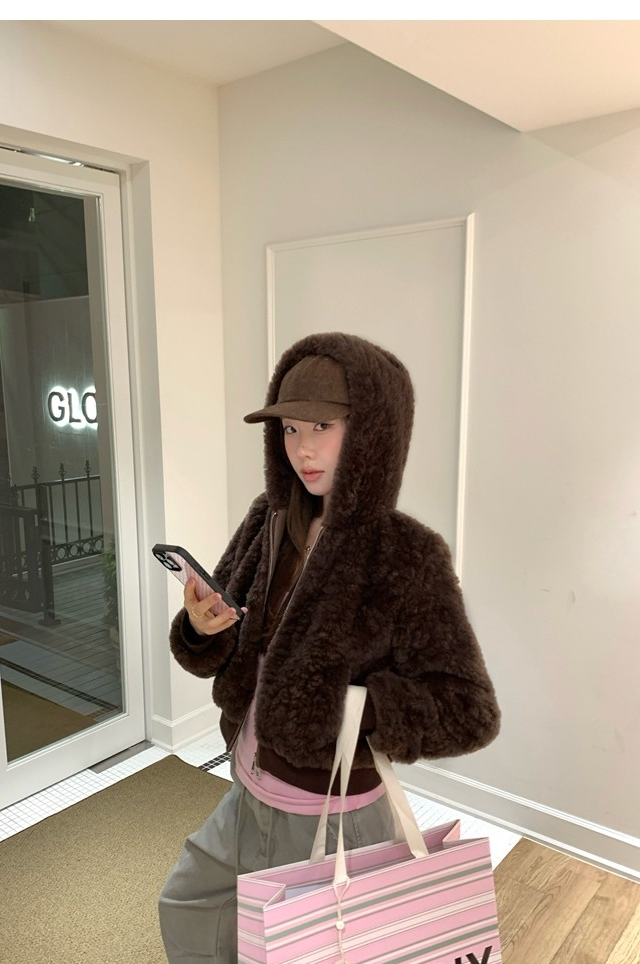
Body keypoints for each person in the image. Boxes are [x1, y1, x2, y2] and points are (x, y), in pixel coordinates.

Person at [159, 331, 501, 964]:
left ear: (371, 431)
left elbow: (469, 710)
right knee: (189, 905)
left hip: (334, 815)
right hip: (249, 785)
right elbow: (226, 634)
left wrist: (351, 710)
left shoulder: (407, 554)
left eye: (323, 425)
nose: (303, 448)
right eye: (290, 428)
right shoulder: (268, 520)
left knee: (312, 949)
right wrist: (202, 630)